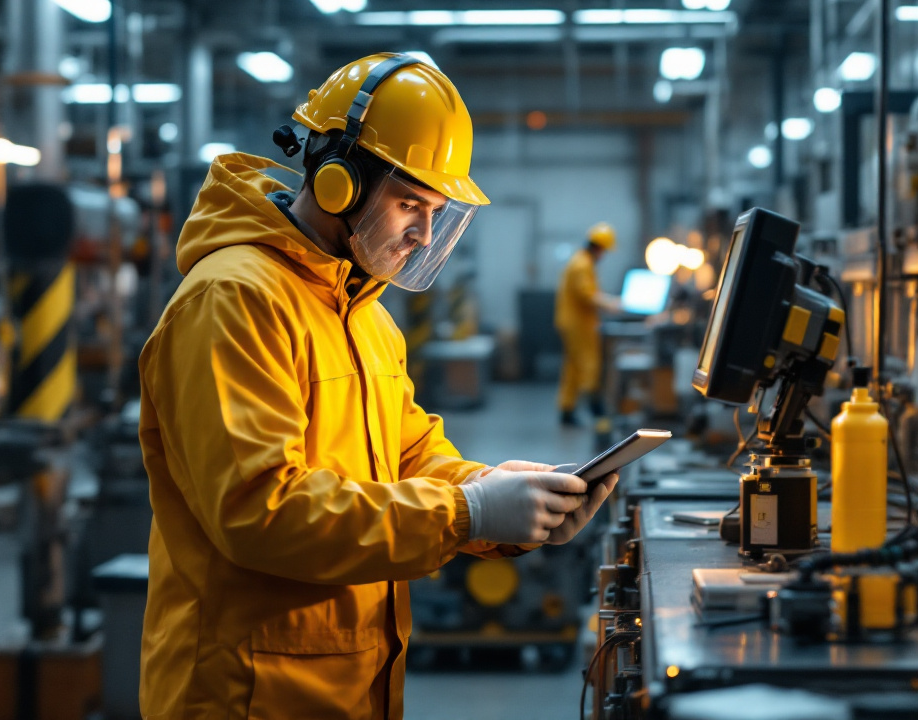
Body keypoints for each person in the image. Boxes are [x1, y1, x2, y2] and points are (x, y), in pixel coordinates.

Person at [137, 53, 617, 720]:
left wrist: (508, 499)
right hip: (246, 692)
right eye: (410, 204)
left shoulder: (365, 315)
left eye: (437, 212)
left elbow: (410, 456)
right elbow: (258, 510)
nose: (423, 236)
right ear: (338, 181)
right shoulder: (234, 299)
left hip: (349, 682)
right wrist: (468, 514)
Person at [555, 222, 621, 426]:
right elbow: (586, 294)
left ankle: (567, 410)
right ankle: (597, 411)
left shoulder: (580, 261)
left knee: (573, 367)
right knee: (588, 365)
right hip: (579, 324)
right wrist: (610, 304)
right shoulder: (582, 264)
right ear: (599, 248)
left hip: (572, 321)